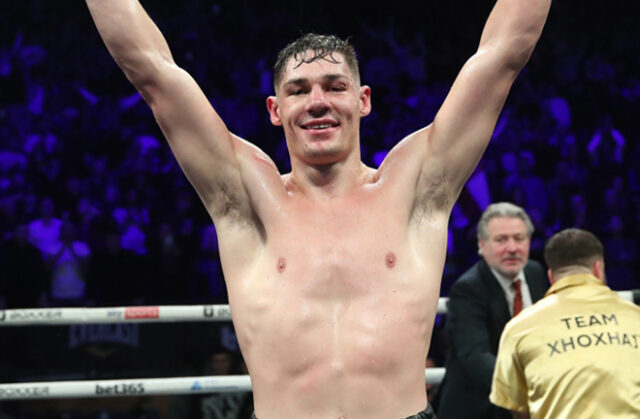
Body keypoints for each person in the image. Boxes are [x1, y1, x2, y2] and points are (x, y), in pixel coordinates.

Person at [85, 0, 551, 417]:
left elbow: (502, 55)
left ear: (362, 99)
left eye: (334, 86)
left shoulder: (417, 187)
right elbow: (151, 70)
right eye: (299, 89)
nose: (318, 102)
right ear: (274, 108)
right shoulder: (246, 198)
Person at [490, 228, 640, 418]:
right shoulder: (635, 316)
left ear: (551, 277)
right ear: (598, 268)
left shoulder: (519, 328)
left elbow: (518, 409)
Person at [436, 202, 549, 419]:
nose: (512, 248)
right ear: (482, 245)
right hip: (479, 408)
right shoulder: (467, 289)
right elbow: (476, 357)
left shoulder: (535, 273)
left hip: (530, 404)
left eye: (519, 238)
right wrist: (530, 383)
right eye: (501, 240)